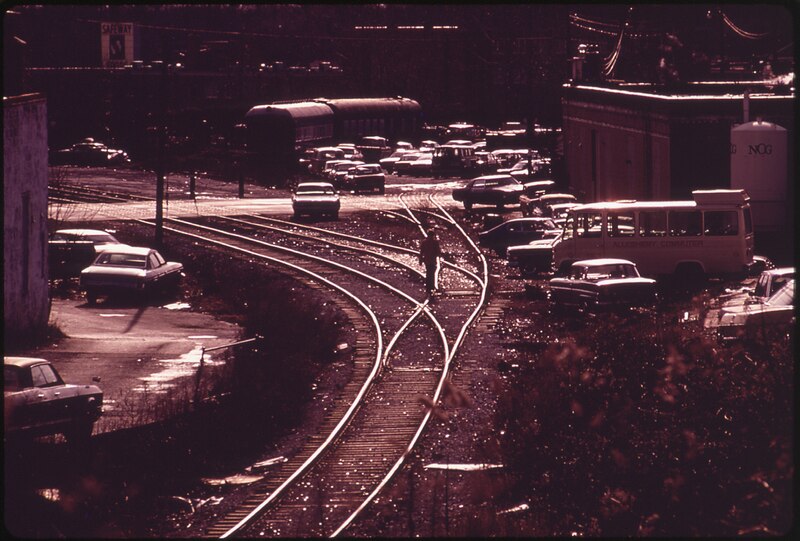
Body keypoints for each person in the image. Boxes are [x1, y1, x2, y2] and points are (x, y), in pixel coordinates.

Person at [419, 228, 442, 297]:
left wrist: (420, 260)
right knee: (432, 273)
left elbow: (421, 252)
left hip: (427, 260)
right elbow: (438, 252)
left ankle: (428, 287)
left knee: (428, 272)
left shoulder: (424, 242)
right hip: (432, 260)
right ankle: (431, 286)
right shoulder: (435, 243)